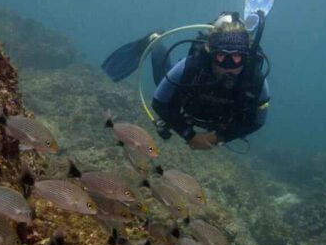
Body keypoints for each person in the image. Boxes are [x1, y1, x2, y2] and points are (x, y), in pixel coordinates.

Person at [101, 13, 270, 150]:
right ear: (211, 55)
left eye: (236, 57)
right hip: (186, 100)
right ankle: (155, 41)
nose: (228, 66)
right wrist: (191, 135)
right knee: (162, 78)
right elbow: (159, 102)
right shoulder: (192, 66)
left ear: (246, 58)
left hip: (214, 117)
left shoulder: (255, 81)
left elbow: (256, 122)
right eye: (221, 57)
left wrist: (219, 137)